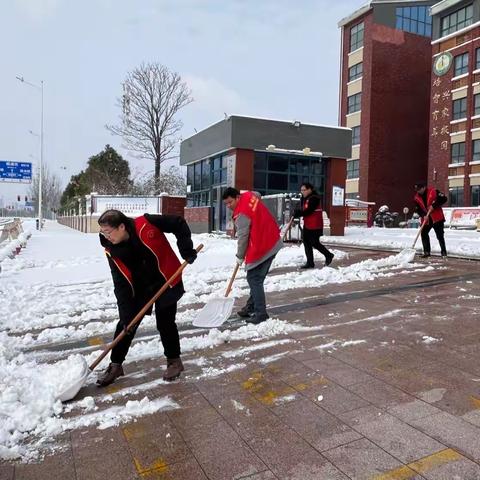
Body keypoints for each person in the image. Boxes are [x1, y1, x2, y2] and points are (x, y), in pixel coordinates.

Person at [96, 209, 197, 386]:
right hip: (140, 287)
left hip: (166, 278)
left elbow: (178, 223)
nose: (107, 236)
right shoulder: (111, 249)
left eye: (109, 232)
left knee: (165, 322)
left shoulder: (146, 223)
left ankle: (174, 361)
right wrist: (126, 314)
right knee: (126, 324)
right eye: (103, 232)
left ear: (121, 226)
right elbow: (120, 283)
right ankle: (116, 365)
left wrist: (186, 249)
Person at [222, 187, 283, 324]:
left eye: (230, 202)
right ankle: (251, 307)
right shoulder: (249, 195)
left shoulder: (241, 214)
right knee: (256, 278)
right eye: (226, 204)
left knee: (254, 278)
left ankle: (261, 313)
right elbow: (258, 194)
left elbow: (243, 237)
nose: (228, 206)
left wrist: (239, 256)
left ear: (237, 197)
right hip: (272, 237)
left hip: (264, 245)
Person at [293, 182, 334, 269]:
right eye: (301, 190)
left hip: (315, 224)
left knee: (314, 242)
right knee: (306, 243)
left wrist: (299, 213)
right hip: (307, 224)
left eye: (304, 190)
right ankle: (310, 262)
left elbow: (309, 211)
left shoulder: (314, 198)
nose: (302, 192)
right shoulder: (304, 198)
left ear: (309, 190)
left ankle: (329, 255)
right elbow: (301, 209)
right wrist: (297, 211)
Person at [413, 182, 448, 258]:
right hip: (427, 219)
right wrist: (423, 215)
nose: (418, 191)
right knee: (424, 233)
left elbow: (444, 198)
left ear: (424, 187)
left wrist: (434, 206)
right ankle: (426, 252)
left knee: (440, 235)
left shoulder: (433, 191)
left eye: (419, 189)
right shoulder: (416, 197)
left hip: (437, 217)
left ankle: (443, 252)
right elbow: (417, 209)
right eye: (417, 190)